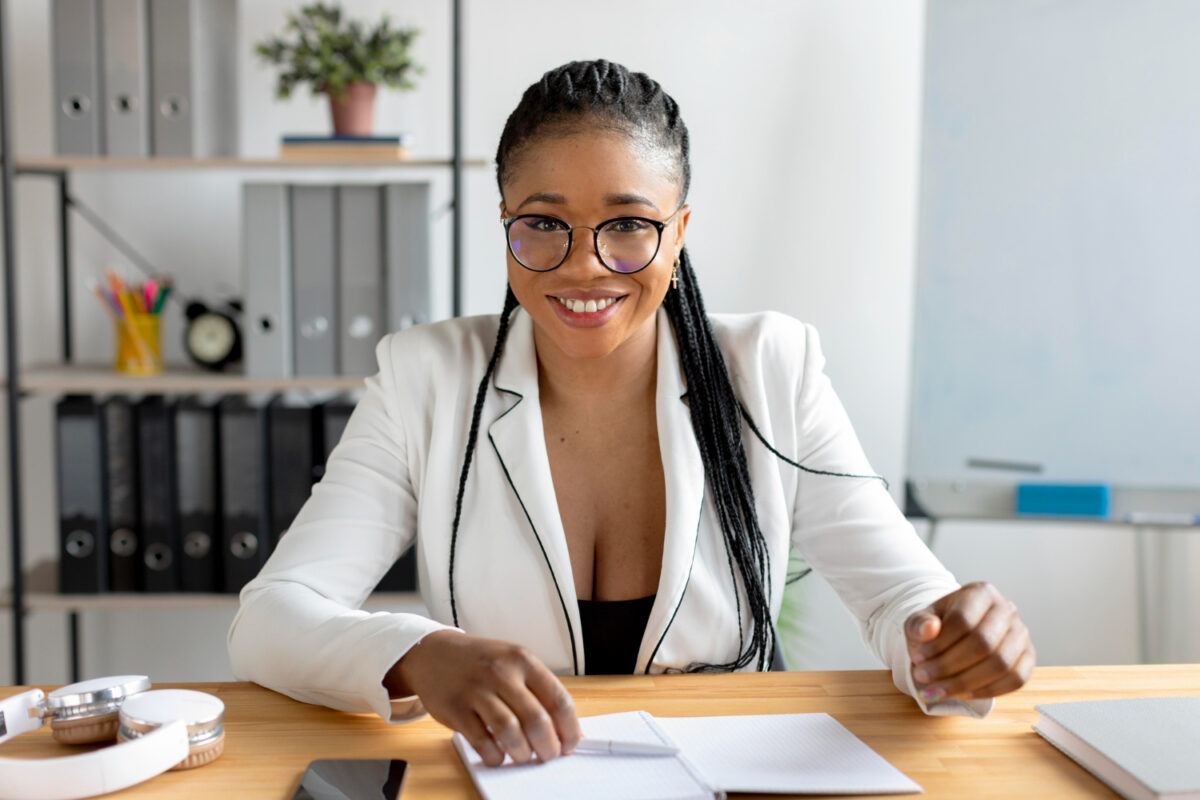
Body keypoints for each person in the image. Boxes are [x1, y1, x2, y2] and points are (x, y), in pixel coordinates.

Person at [228, 59, 1034, 768]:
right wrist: (419, 655)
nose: (584, 264)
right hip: (516, 782)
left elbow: (906, 604)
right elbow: (271, 618)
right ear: (505, 221)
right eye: (543, 225)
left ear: (679, 233)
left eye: (629, 226)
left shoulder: (773, 370)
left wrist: (955, 644)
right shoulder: (425, 379)